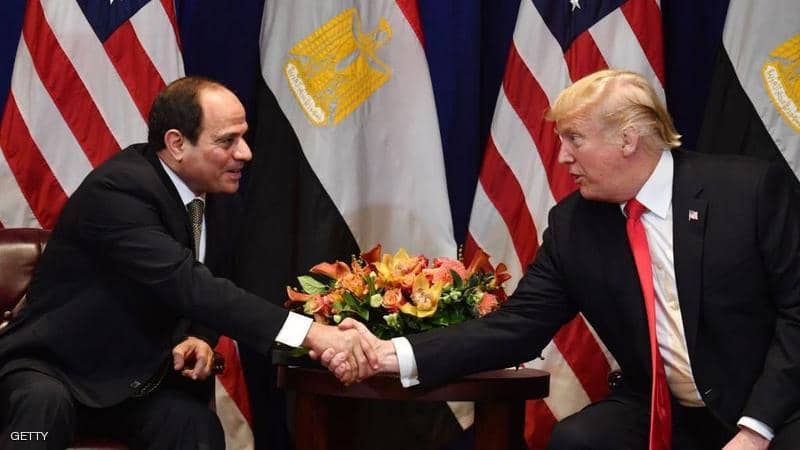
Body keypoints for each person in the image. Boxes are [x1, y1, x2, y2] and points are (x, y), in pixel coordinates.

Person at [323, 69, 800, 450]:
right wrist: (388, 354)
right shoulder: (575, 224)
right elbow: (518, 326)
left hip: (773, 404)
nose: (563, 157)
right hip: (666, 411)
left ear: (628, 139)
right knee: (581, 439)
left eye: (575, 138)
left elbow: (797, 314)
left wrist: (756, 429)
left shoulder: (749, 192)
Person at [0, 76, 375, 450]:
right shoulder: (119, 191)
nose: (245, 153)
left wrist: (201, 335)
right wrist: (310, 334)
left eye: (243, 137)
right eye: (227, 141)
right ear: (177, 143)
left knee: (194, 427)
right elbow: (189, 284)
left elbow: (216, 280)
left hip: (134, 384)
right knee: (42, 411)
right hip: (53, 370)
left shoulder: (218, 194)